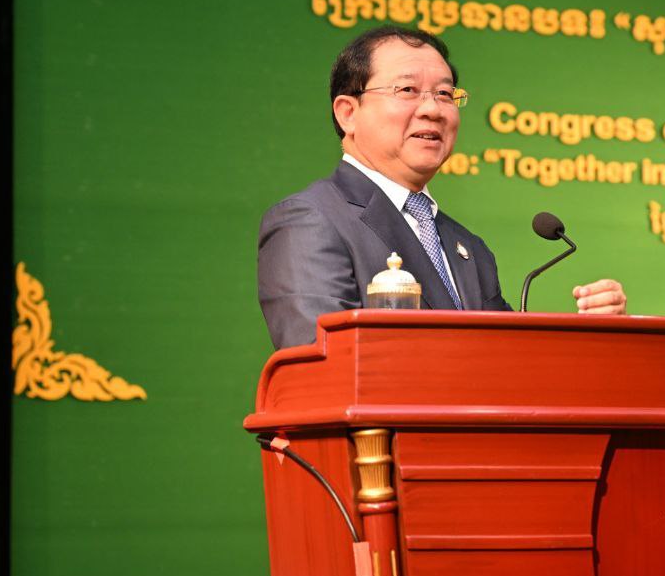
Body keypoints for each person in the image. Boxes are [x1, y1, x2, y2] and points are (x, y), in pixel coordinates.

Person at [257, 25, 627, 349]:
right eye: (407, 89)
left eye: (445, 94)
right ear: (348, 113)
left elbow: (510, 364)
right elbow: (325, 363)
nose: (432, 110)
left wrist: (593, 335)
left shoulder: (469, 248)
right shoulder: (312, 220)